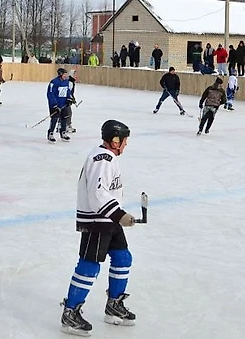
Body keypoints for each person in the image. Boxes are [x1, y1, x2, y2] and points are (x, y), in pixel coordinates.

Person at [60, 119, 137, 336]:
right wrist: (120, 215)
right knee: (90, 265)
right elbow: (97, 193)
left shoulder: (108, 157)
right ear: (115, 141)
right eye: (124, 140)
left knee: (123, 258)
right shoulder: (102, 158)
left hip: (108, 220)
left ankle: (114, 306)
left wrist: (117, 216)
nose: (126, 144)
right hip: (97, 220)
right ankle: (70, 313)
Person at [47, 68, 72, 142]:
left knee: (64, 118)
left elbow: (67, 91)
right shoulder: (54, 82)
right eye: (64, 74)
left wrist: (69, 98)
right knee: (54, 118)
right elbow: (50, 94)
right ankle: (50, 133)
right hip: (55, 104)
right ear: (60, 74)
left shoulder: (66, 82)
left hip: (63, 103)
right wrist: (54, 104)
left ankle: (63, 132)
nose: (65, 76)